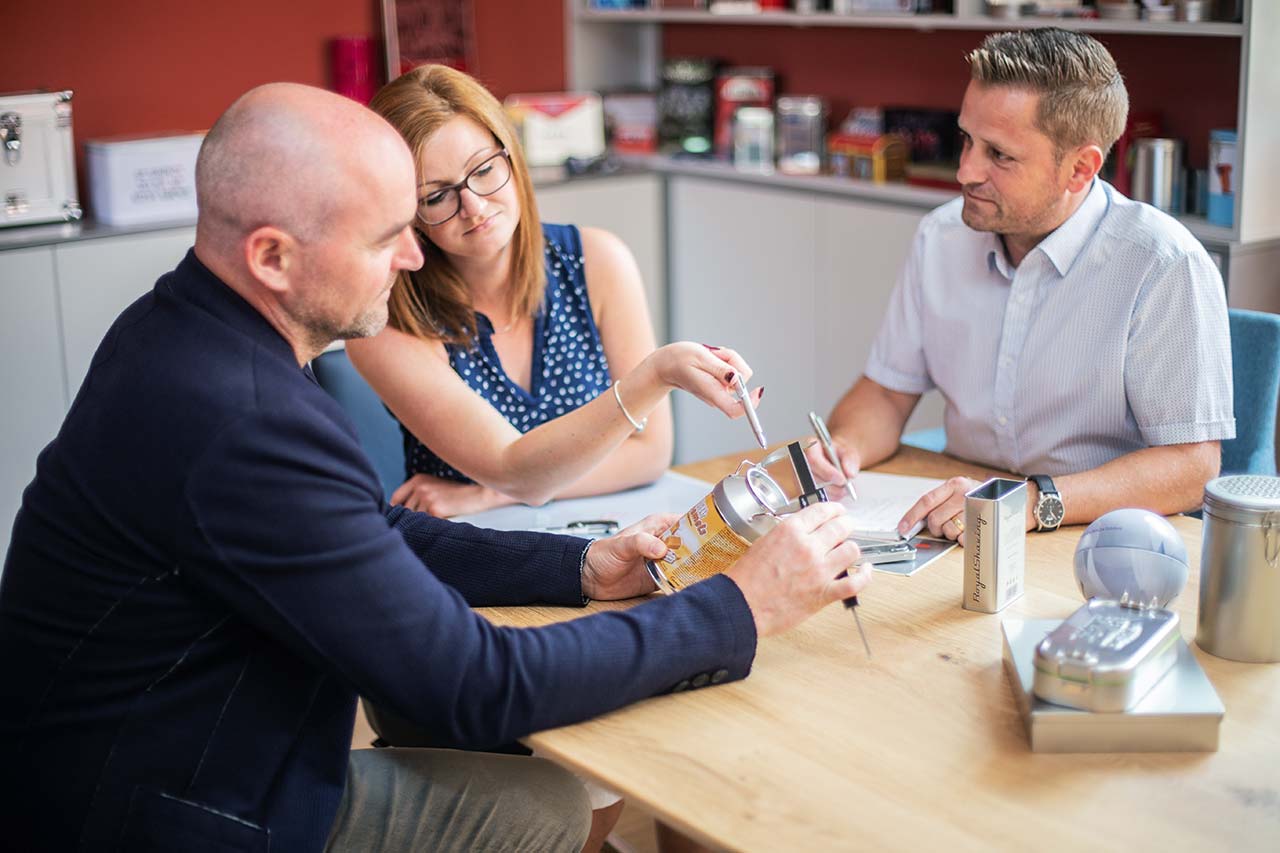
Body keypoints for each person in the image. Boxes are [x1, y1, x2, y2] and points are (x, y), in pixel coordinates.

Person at [0, 82, 871, 853]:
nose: (417, 255)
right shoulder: (249, 420)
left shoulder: (179, 331)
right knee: (544, 805)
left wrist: (577, 564)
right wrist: (740, 606)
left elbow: (367, 527)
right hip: (170, 814)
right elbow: (475, 686)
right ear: (272, 257)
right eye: (391, 233)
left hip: (135, 766)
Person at [810, 28, 1233, 543]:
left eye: (1000, 155)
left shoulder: (1163, 264)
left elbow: (1193, 467)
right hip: (959, 521)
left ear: (1080, 169)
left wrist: (1031, 502)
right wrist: (844, 449)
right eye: (966, 139)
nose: (965, 171)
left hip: (1098, 535)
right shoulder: (942, 236)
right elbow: (886, 391)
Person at [346, 65, 759, 518]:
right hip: (472, 550)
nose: (474, 207)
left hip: (597, 528)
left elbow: (650, 454)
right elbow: (515, 468)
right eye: (436, 197)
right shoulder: (388, 320)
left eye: (483, 170)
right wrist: (656, 374)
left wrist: (491, 493)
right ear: (406, 210)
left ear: (511, 156)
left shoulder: (598, 260)